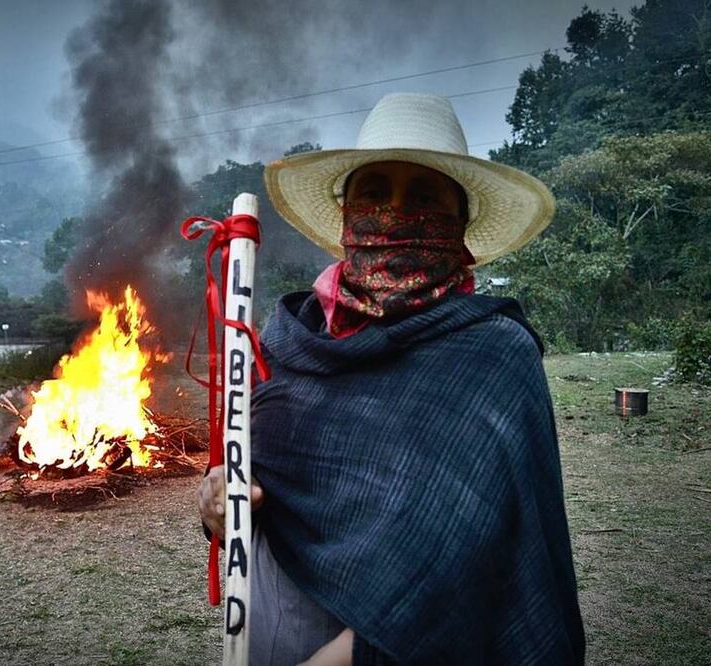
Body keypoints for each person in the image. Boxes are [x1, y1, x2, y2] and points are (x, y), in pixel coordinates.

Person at [198, 93, 586, 665]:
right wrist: (217, 499)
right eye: (375, 192)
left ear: (459, 222)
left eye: (423, 195)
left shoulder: (494, 356)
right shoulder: (286, 339)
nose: (395, 212)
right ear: (348, 210)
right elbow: (249, 483)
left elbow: (475, 566)